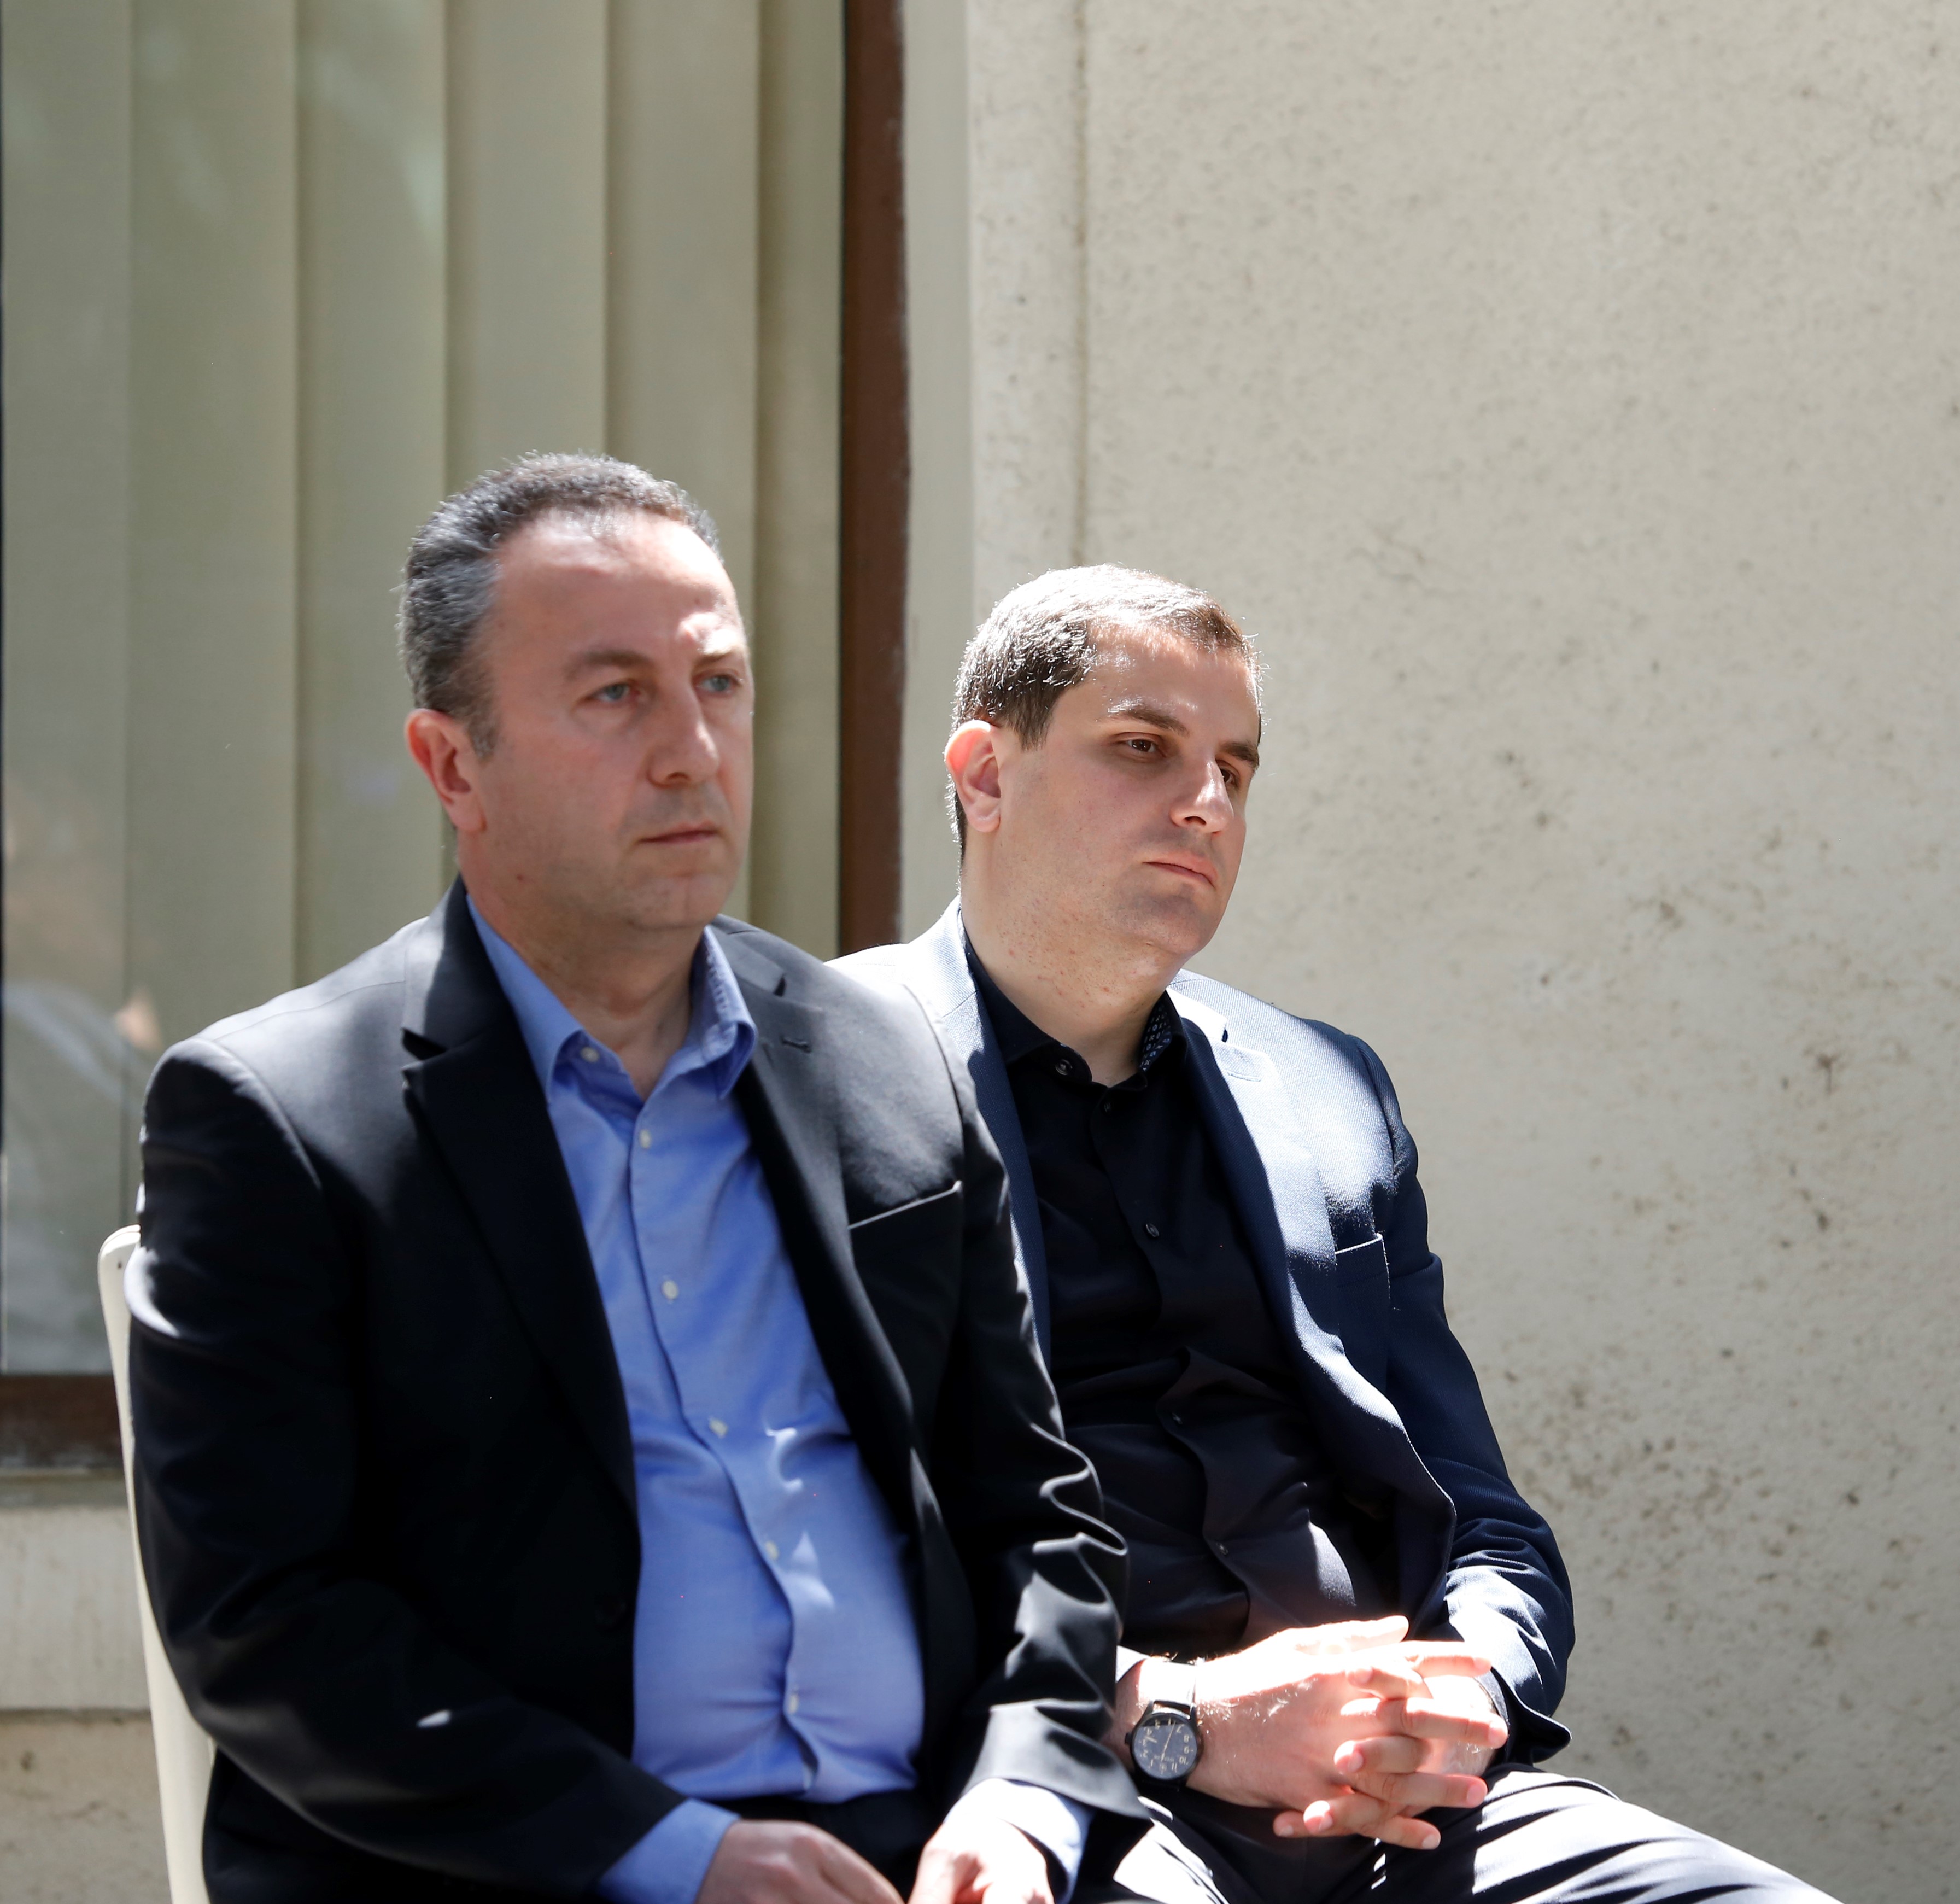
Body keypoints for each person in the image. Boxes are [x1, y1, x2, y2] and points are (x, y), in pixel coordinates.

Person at [124, 459, 1150, 1904]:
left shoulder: (884, 1062)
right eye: (615, 695)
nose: (692, 751)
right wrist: (675, 1856)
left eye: (717, 683)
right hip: (540, 1869)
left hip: (935, 1855)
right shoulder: (282, 1117)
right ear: (452, 765)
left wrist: (1022, 1799)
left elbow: (1038, 1518)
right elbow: (264, 1620)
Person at [838, 566, 1839, 1904]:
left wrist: (1458, 1694)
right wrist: (1176, 1715)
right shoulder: (818, 1079)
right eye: (1141, 748)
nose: (1204, 801)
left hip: (1394, 1801)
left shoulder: (1326, 1089)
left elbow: (1484, 1521)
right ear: (982, 776)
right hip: (1064, 1786)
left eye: (1234, 768)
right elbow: (811, 1546)